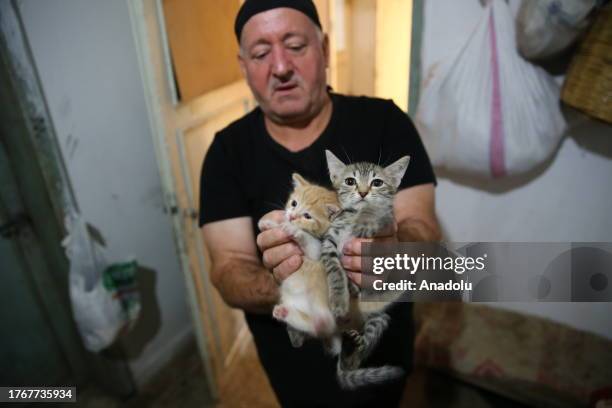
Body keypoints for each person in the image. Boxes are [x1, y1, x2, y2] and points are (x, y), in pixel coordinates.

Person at [199, 1, 441, 406]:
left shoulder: (385, 122)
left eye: (295, 46)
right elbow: (227, 270)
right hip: (293, 368)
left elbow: (424, 229)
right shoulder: (227, 153)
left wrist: (397, 254)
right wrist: (288, 283)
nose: (280, 67)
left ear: (324, 49)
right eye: (261, 54)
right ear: (244, 66)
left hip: (379, 350)